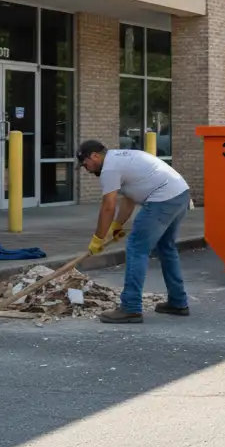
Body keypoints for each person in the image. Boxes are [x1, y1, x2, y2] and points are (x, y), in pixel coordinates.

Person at [75, 139, 192, 324]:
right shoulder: (121, 158)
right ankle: (178, 302)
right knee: (166, 248)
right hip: (180, 195)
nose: (86, 169)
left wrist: (98, 238)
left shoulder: (110, 169)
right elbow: (129, 199)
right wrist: (117, 226)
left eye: (85, 164)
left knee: (136, 249)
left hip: (163, 199)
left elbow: (108, 206)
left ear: (94, 156)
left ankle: (130, 308)